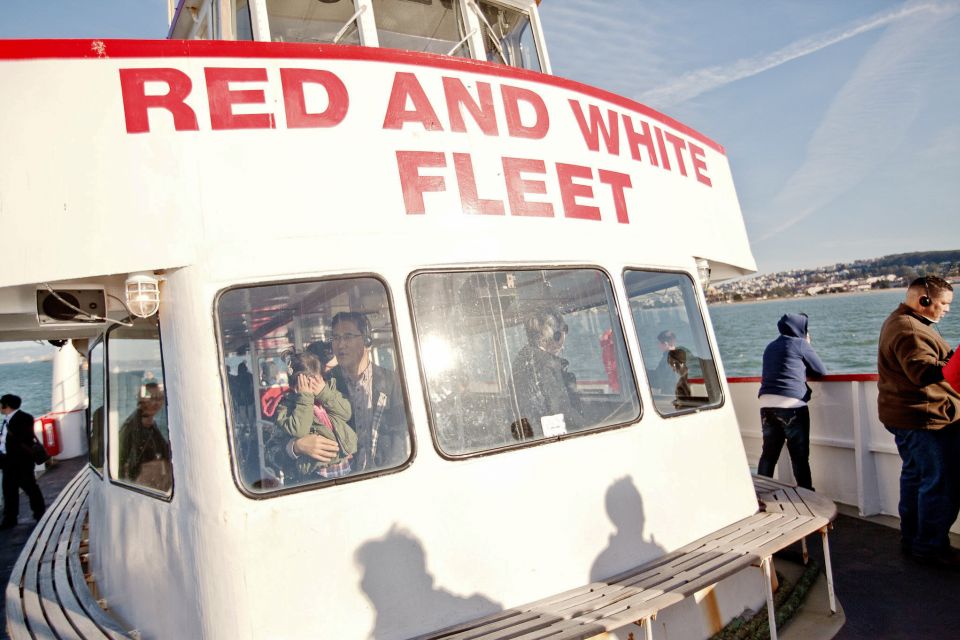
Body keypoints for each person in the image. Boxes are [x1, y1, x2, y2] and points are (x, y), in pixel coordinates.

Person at [877, 275, 960, 568]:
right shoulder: (910, 329)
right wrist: (954, 362)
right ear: (924, 300)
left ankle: (912, 539)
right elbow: (921, 373)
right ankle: (930, 547)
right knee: (940, 482)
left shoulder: (900, 320)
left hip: (904, 416)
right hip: (924, 420)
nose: (947, 309)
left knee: (915, 477)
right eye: (944, 303)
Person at [324, 312, 408, 472]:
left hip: (389, 475)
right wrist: (295, 447)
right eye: (336, 338)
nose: (340, 345)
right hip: (344, 480)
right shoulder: (324, 385)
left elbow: (404, 431)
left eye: (348, 337)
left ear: (367, 340)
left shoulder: (392, 382)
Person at [756, 313, 827, 490]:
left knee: (769, 454)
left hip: (766, 405)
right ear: (800, 329)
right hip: (792, 406)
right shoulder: (800, 344)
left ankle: (760, 492)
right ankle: (806, 494)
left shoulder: (770, 346)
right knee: (799, 456)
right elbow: (820, 371)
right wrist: (807, 344)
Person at [272, 351, 357, 481]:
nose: (313, 388)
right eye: (306, 384)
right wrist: (296, 447)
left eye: (318, 380)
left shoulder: (331, 390)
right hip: (318, 474)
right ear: (295, 387)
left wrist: (324, 393)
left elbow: (346, 413)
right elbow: (300, 430)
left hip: (348, 466)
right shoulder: (288, 406)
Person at [511, 308, 583, 438]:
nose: (563, 343)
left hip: (531, 434)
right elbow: (560, 408)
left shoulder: (521, 360)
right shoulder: (547, 365)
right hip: (545, 436)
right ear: (554, 336)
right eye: (563, 331)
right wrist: (589, 426)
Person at [0, 394, 46, 529]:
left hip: (21, 462)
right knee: (9, 491)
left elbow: (22, 439)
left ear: (6, 405)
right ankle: (10, 519)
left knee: (31, 488)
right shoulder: (7, 419)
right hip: (8, 462)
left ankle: (40, 514)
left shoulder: (24, 418)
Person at [118, 382, 172, 491]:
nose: (156, 402)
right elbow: (124, 466)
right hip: (140, 488)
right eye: (151, 398)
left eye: (160, 398)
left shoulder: (151, 424)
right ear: (141, 401)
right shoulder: (131, 428)